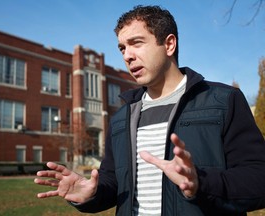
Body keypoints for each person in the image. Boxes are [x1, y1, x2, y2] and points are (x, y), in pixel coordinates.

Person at [34, 5, 265, 216]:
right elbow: (113, 183)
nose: (127, 55)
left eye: (137, 43)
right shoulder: (122, 118)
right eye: (122, 48)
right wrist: (90, 194)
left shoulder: (224, 101)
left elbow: (258, 179)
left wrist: (200, 182)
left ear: (169, 44)